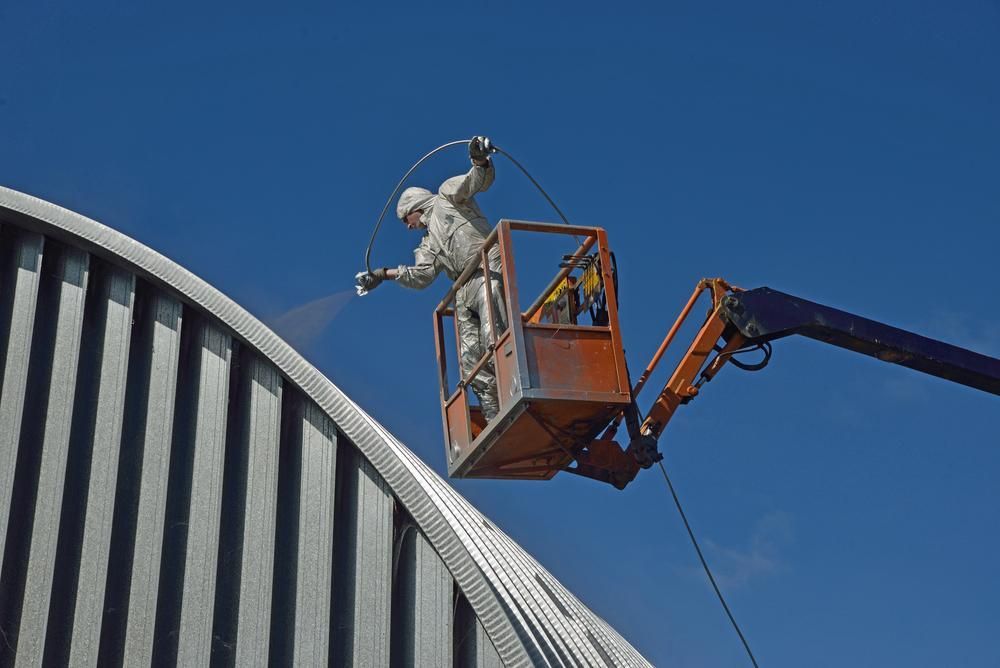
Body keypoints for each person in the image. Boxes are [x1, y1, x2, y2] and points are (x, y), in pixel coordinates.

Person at [356, 137, 508, 420]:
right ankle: (495, 420)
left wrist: (479, 160)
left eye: (406, 220)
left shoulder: (447, 196)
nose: (408, 227)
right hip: (463, 287)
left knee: (494, 338)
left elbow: (475, 181)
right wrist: (383, 275)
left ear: (414, 208)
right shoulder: (428, 245)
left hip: (486, 268)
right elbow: (422, 276)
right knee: (470, 361)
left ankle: (511, 397)